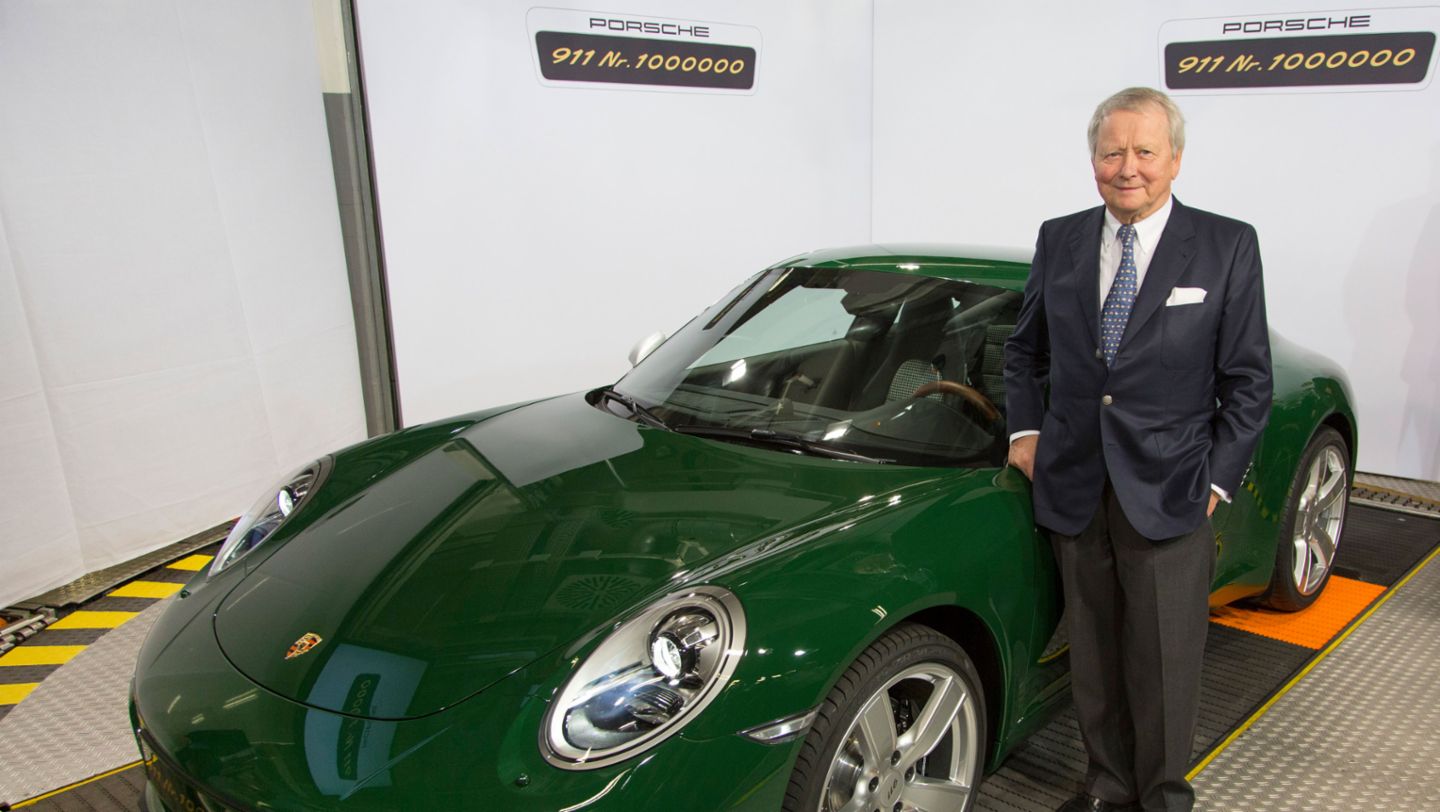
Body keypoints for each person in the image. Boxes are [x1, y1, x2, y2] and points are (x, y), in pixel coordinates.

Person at [1003, 87, 1272, 812]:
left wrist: (1216, 482)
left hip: (1171, 487)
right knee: (1092, 657)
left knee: (1163, 664)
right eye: (1111, 152)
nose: (1128, 168)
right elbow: (1024, 352)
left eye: (1145, 151)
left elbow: (1249, 381)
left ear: (1175, 159)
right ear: (1093, 159)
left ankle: (1162, 797)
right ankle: (1107, 783)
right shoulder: (1060, 237)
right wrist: (1025, 433)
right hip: (1073, 483)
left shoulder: (1225, 244)